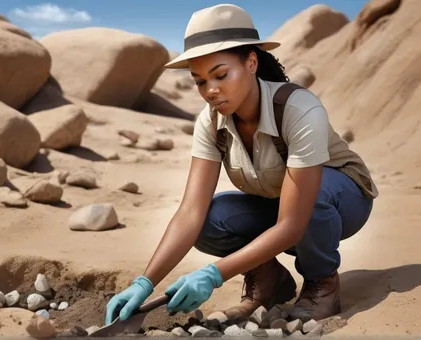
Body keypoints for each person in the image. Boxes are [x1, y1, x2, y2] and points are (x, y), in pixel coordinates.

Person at [105, 3, 378, 325]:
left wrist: (213, 274)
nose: (211, 91)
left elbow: (293, 223)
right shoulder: (210, 123)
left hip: (342, 202)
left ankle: (322, 284)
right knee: (210, 220)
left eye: (220, 75)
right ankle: (268, 284)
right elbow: (190, 211)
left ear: (251, 62)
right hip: (279, 205)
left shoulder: (299, 108)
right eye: (200, 81)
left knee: (315, 197)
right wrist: (144, 281)